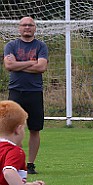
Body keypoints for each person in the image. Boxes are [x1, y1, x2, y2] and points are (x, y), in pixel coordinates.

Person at [3, 17, 48, 175]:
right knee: (12, 128)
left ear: (35, 28)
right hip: (16, 92)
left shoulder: (41, 46)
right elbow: (9, 65)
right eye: (24, 25)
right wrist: (30, 63)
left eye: (30, 25)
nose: (27, 28)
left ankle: (31, 164)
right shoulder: (11, 45)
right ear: (19, 28)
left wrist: (19, 65)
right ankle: (14, 161)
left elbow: (41, 67)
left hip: (34, 92)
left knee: (35, 129)